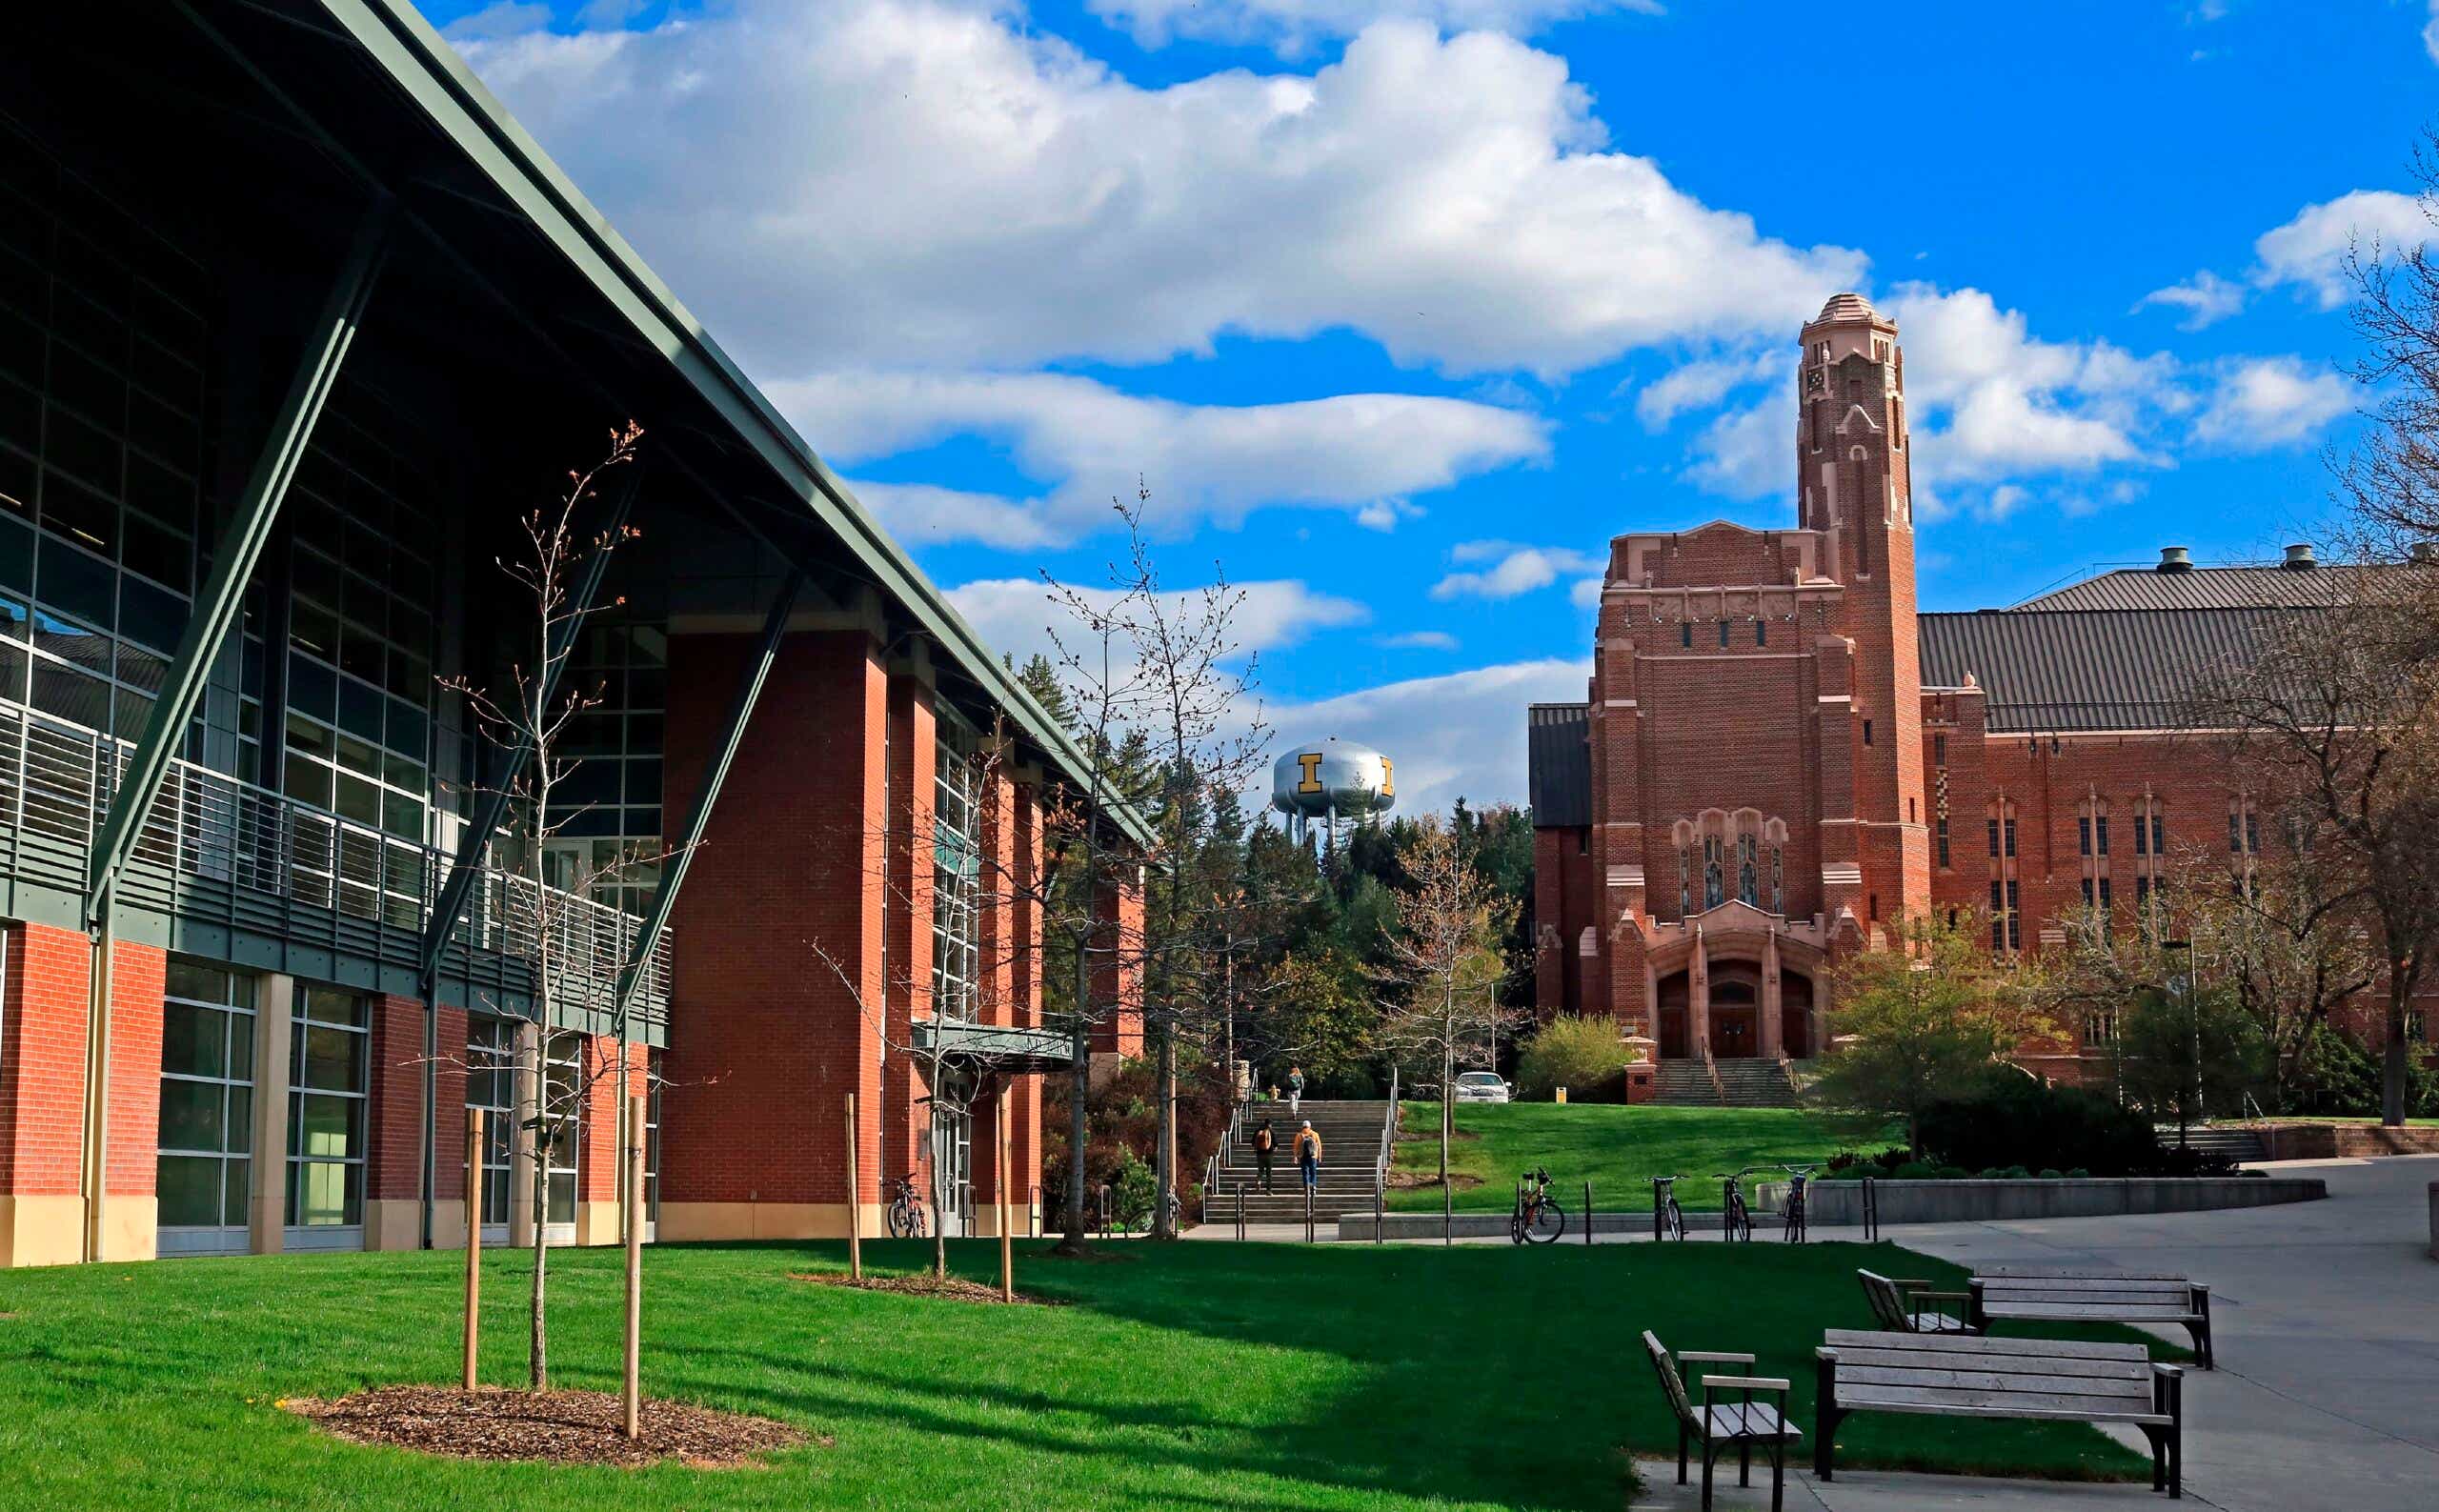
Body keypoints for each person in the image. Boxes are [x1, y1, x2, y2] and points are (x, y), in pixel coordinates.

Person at [1295, 1119, 1323, 1197]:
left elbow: (1296, 1147)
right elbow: (1319, 1146)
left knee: (1305, 1173)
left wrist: (1295, 1156)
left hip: (1303, 1156)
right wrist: (1319, 1157)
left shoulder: (1299, 1135)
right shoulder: (1315, 1134)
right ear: (1310, 1126)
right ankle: (1313, 1186)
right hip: (1313, 1156)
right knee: (1313, 1172)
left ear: (1302, 1126)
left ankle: (1306, 1188)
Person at [1252, 1119, 1277, 1194]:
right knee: (1268, 1173)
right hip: (1269, 1154)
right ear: (1270, 1124)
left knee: (1261, 1170)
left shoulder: (1258, 1131)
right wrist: (1274, 1148)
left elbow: (1253, 1142)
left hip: (1259, 1154)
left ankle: (1259, 1180)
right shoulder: (1271, 1131)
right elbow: (1275, 1144)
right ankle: (1268, 1190)